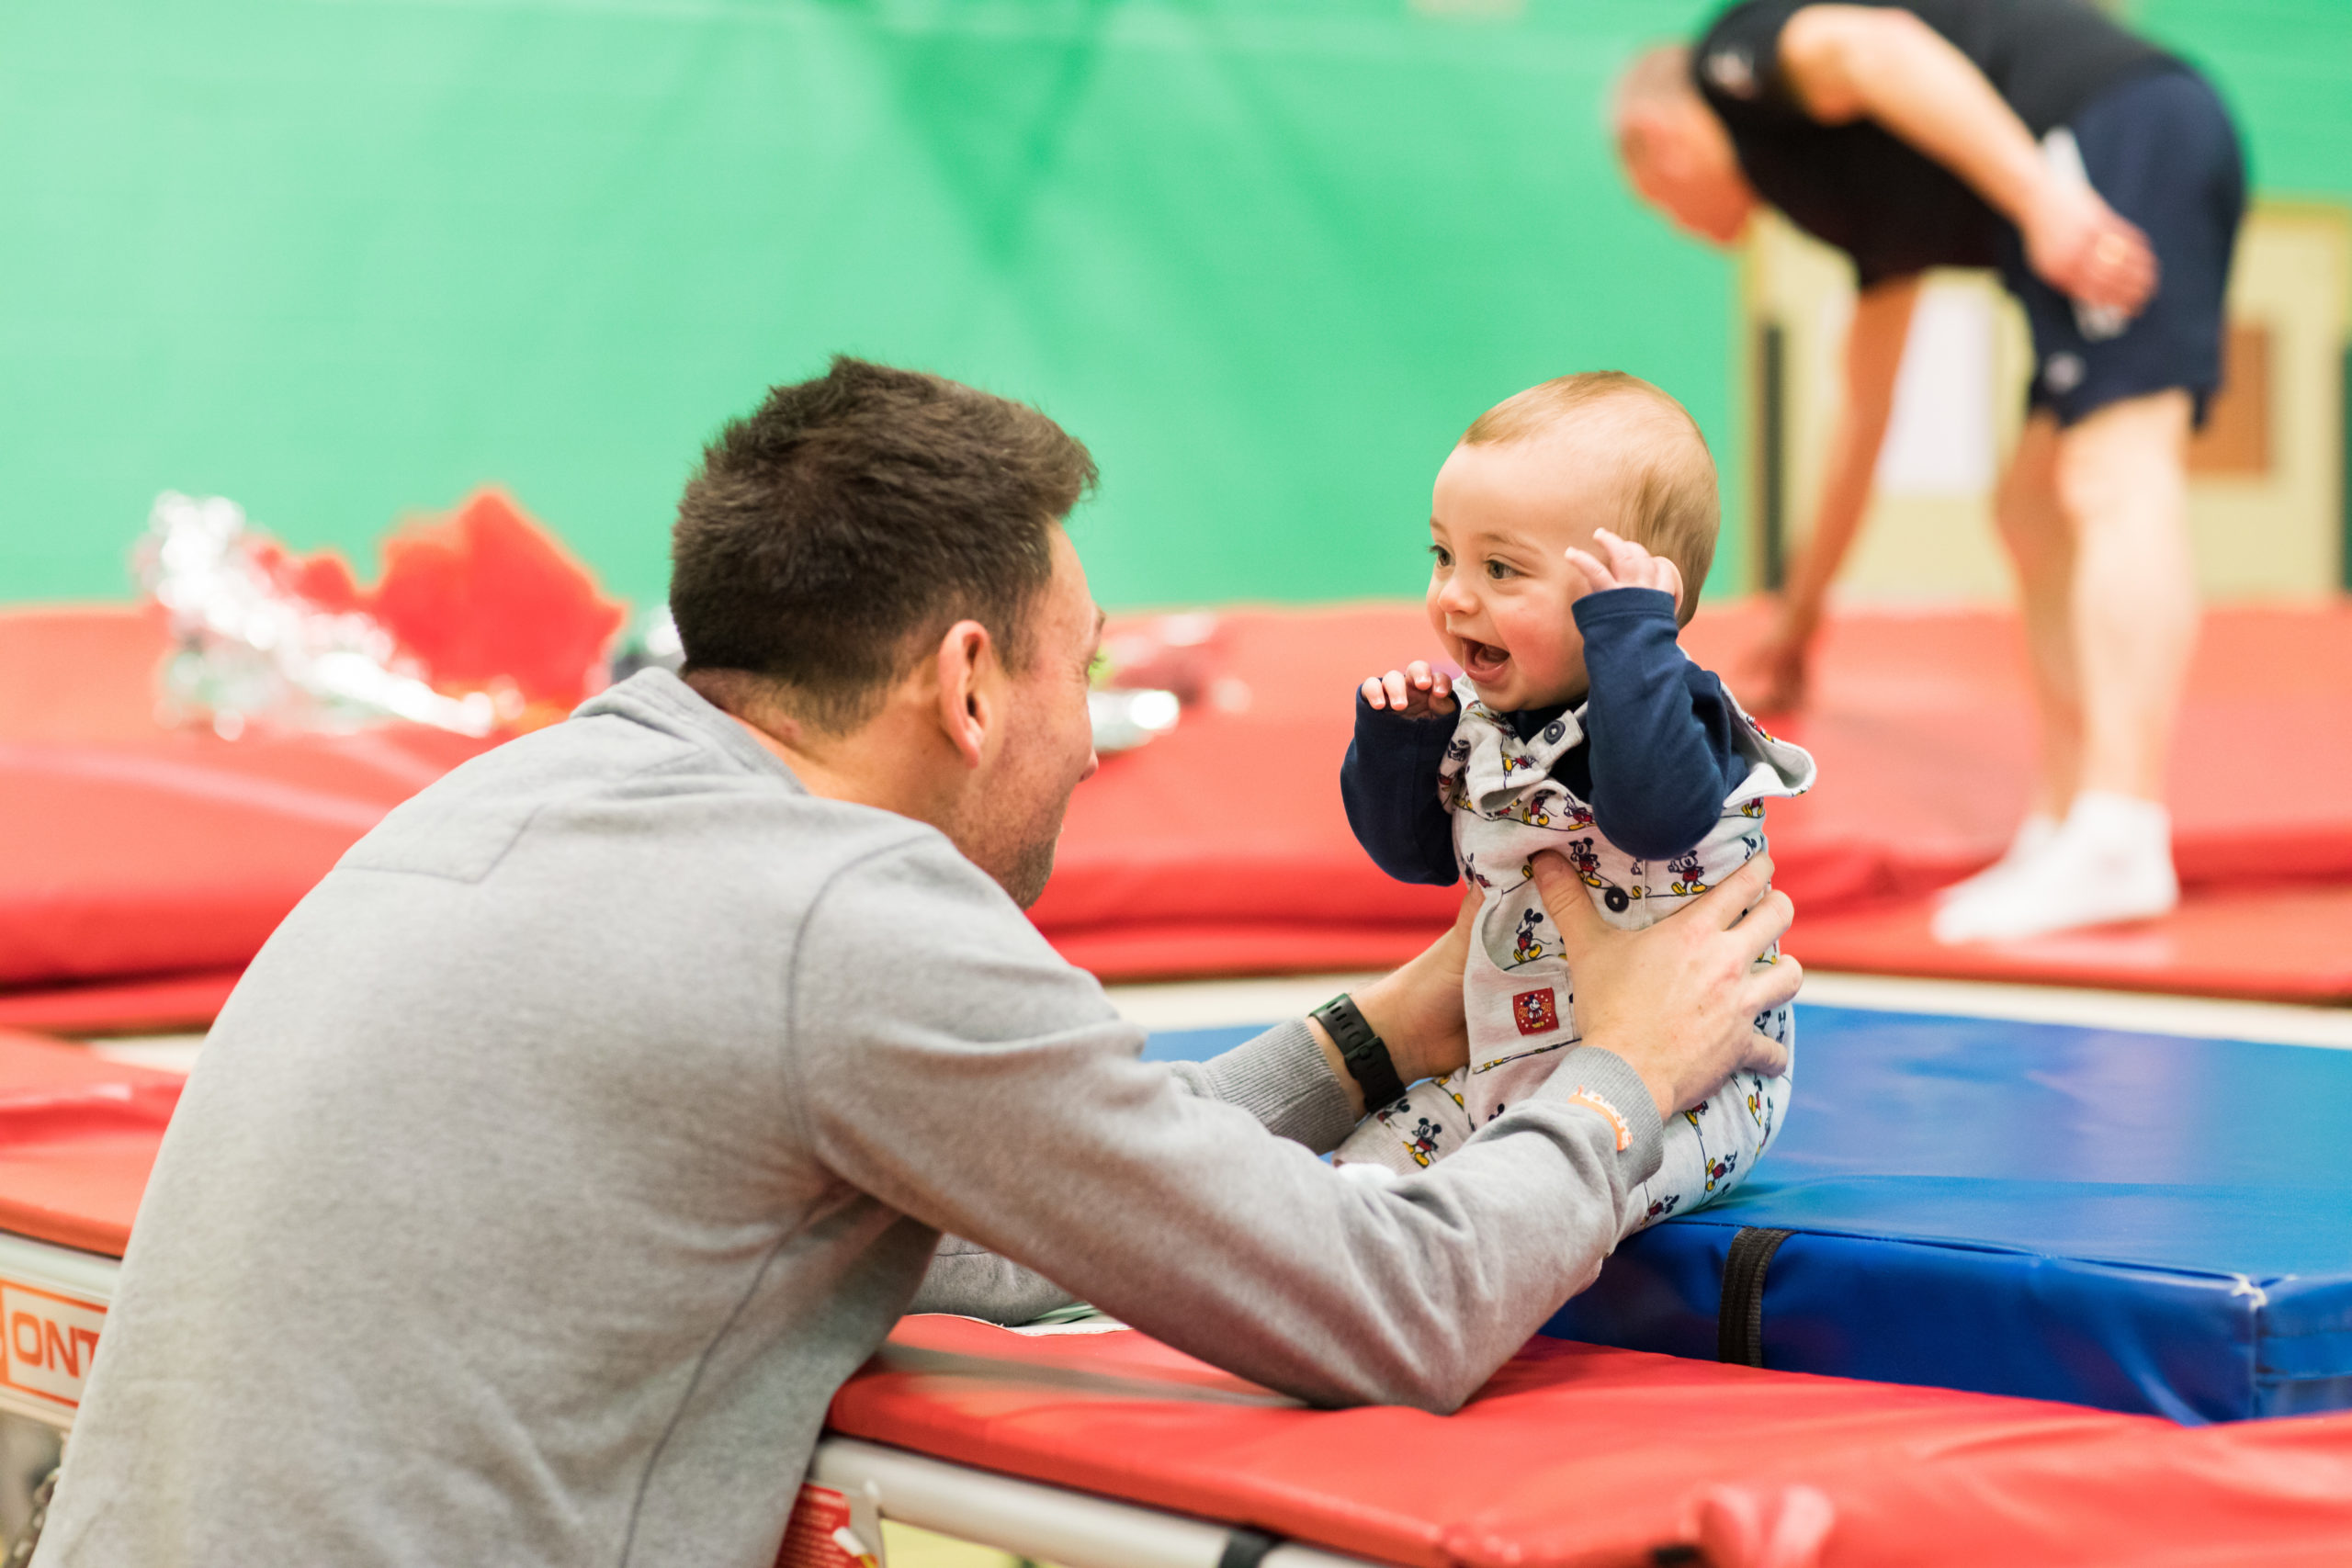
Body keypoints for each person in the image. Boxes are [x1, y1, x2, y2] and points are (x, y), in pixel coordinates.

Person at [36, 358, 1800, 1567]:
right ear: (966, 683)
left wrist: (1372, 1035)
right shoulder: (848, 917)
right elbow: (1396, 1308)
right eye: (1076, 677)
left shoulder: (520, 800)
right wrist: (1620, 1073)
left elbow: (995, 1233)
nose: (1090, 743)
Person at [1612, 0, 2245, 943]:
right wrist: (1797, 623)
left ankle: (2120, 830)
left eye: (1657, 203)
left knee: (2112, 466)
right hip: (2094, 151)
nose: (1682, 225)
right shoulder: (1859, 200)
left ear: (1656, 140)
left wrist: (2041, 201)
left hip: (2116, 131)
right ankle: (2069, 821)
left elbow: (1879, 46)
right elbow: (1864, 421)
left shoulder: (1731, 63)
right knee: (2030, 505)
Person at [1333, 373, 1813, 1236]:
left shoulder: (1681, 709)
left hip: (1692, 1091)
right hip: (1506, 1069)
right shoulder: (1487, 727)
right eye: (1444, 555)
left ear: (1634, 600)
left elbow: (1650, 818)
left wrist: (1633, 637)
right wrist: (1398, 747)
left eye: (1501, 567)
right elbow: (1414, 857)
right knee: (1347, 1185)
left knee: (1561, 1196)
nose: (1453, 595)